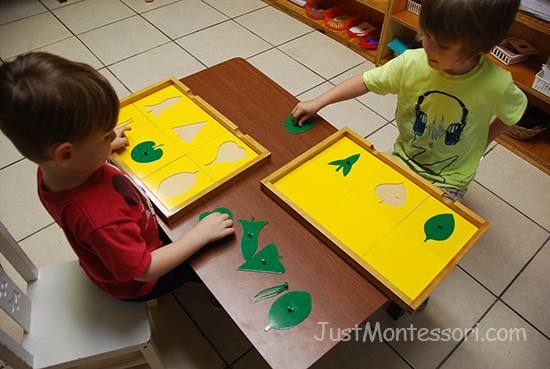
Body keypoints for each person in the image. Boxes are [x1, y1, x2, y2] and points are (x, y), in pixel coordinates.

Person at [0, 52, 235, 301]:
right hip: (140, 282)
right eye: (104, 136)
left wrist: (100, 146)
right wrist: (198, 237)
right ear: (66, 154)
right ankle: (221, 298)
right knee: (214, 257)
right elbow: (144, 270)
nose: (112, 137)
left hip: (133, 236)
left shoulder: (54, 170)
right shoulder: (99, 219)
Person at [292, 0, 527, 202]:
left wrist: (483, 141)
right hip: (403, 156)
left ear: (480, 45)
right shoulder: (412, 62)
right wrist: (319, 102)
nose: (429, 47)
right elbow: (365, 81)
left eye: (443, 44)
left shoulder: (496, 84)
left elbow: (514, 112)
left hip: (451, 179)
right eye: (426, 34)